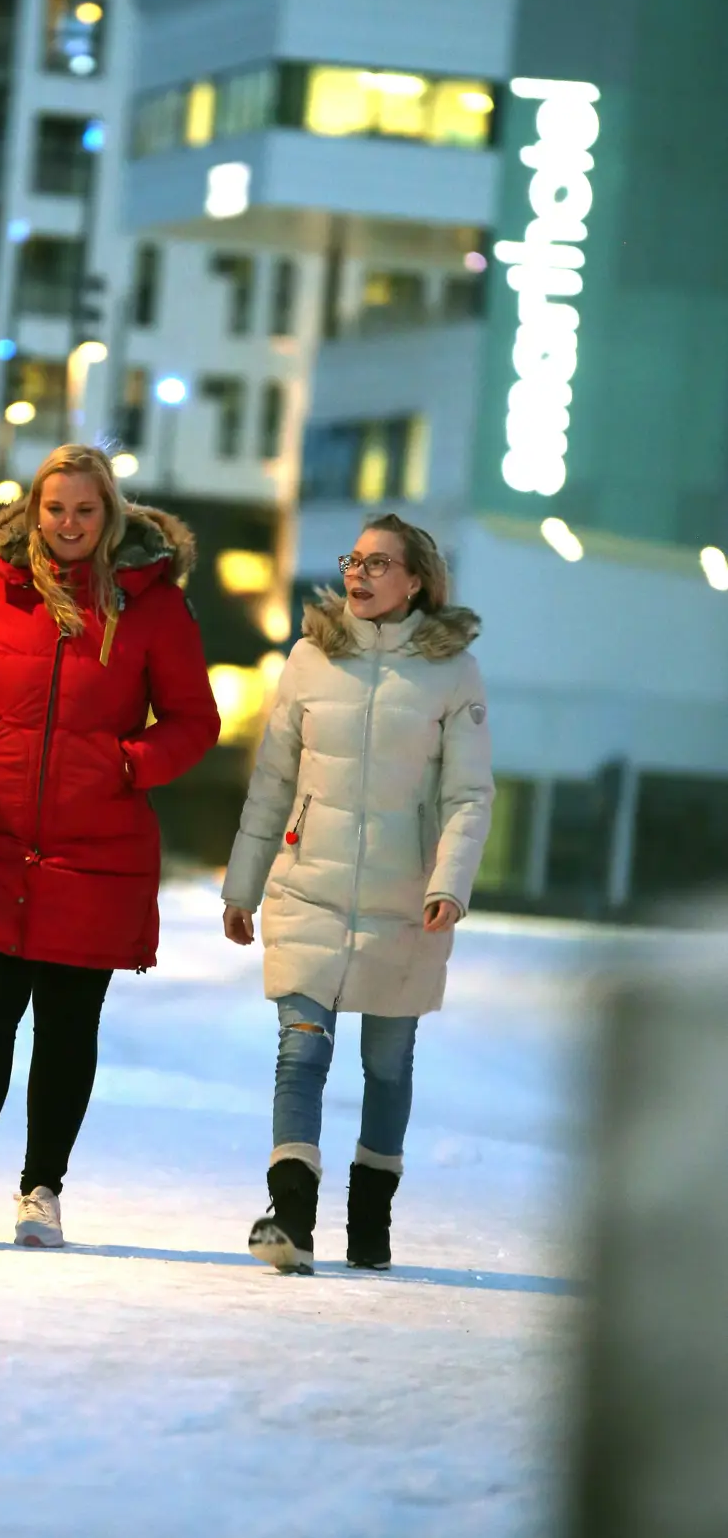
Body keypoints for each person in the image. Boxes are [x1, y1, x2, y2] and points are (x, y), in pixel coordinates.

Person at [0, 445, 221, 1249]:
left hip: (97, 849)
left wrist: (124, 762)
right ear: (32, 513)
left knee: (68, 1029)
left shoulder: (153, 607)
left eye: (85, 509)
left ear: (109, 515)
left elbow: (193, 722)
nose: (69, 523)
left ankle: (42, 1190)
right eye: (55, 508)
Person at [222, 514, 493, 1274]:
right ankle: (292, 1219)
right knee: (299, 1054)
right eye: (354, 559)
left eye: (380, 563)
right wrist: (242, 885)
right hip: (309, 891)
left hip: (407, 902)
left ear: (416, 580)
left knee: (388, 1065)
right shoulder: (310, 659)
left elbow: (471, 795)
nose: (361, 574)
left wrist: (450, 884)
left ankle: (369, 1222)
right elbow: (274, 781)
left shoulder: (453, 673)